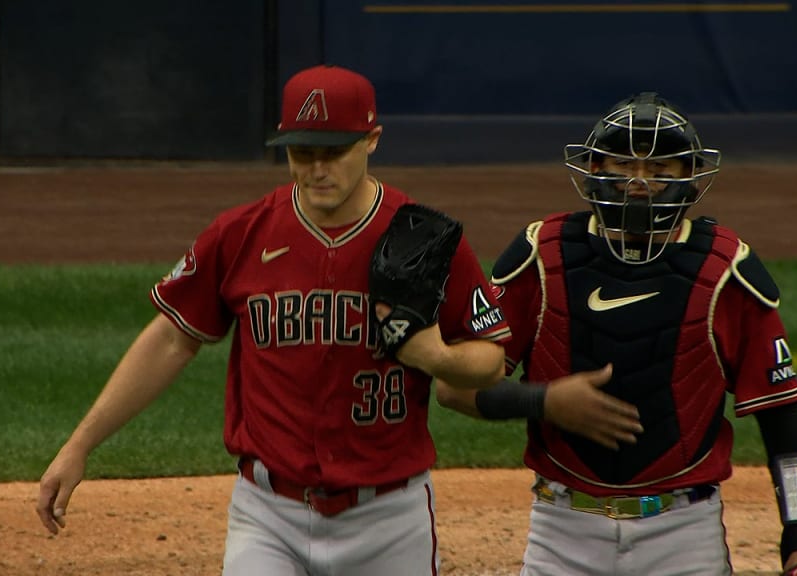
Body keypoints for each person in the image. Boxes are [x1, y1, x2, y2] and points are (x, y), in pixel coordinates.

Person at [35, 64, 511, 575]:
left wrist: (438, 357)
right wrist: (80, 444)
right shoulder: (242, 233)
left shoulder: (427, 240)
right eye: (302, 153)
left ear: (372, 140)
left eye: (334, 152)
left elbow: (491, 360)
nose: (316, 169)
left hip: (390, 520)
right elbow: (172, 340)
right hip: (268, 517)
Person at [435, 92, 797, 575]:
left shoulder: (726, 270)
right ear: (593, 169)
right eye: (622, 165)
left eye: (659, 169)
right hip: (562, 528)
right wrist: (543, 402)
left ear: (688, 178)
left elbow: (782, 414)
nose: (638, 183)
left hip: (684, 534)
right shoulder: (542, 255)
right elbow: (454, 387)